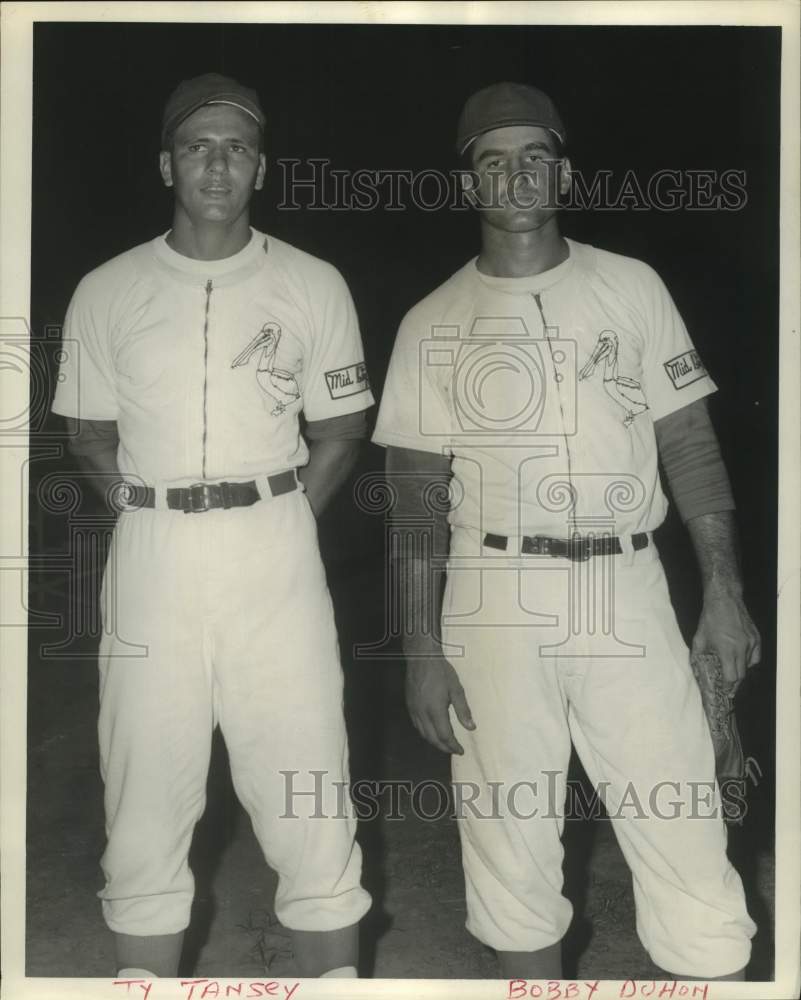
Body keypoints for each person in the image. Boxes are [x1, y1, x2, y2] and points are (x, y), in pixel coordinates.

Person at [372, 82, 760, 981]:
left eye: (534, 156)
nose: (515, 176)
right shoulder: (430, 320)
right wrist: (421, 648)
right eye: (492, 160)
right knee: (509, 841)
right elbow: (415, 503)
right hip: (492, 591)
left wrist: (726, 593)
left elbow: (690, 445)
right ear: (467, 183)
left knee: (683, 821)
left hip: (625, 582)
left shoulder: (630, 285)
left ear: (564, 172)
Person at [51, 73, 373, 980]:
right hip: (152, 548)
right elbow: (86, 431)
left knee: (306, 780)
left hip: (274, 541)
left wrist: (274, 518)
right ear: (166, 164)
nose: (217, 163)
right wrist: (152, 512)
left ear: (260, 166)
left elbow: (342, 428)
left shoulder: (311, 281)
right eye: (198, 146)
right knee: (145, 786)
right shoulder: (108, 288)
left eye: (236, 146)